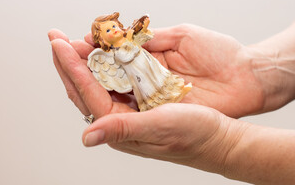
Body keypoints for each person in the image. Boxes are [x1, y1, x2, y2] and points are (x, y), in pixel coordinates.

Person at [48, 22, 295, 184]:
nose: (116, 30)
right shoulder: (118, 52)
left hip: (148, 68)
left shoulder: (128, 42)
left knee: (160, 78)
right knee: (149, 85)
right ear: (104, 41)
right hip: (140, 74)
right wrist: (253, 68)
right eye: (110, 30)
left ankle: (167, 90)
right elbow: (128, 55)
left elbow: (137, 45)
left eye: (116, 26)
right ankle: (155, 98)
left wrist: (224, 145)